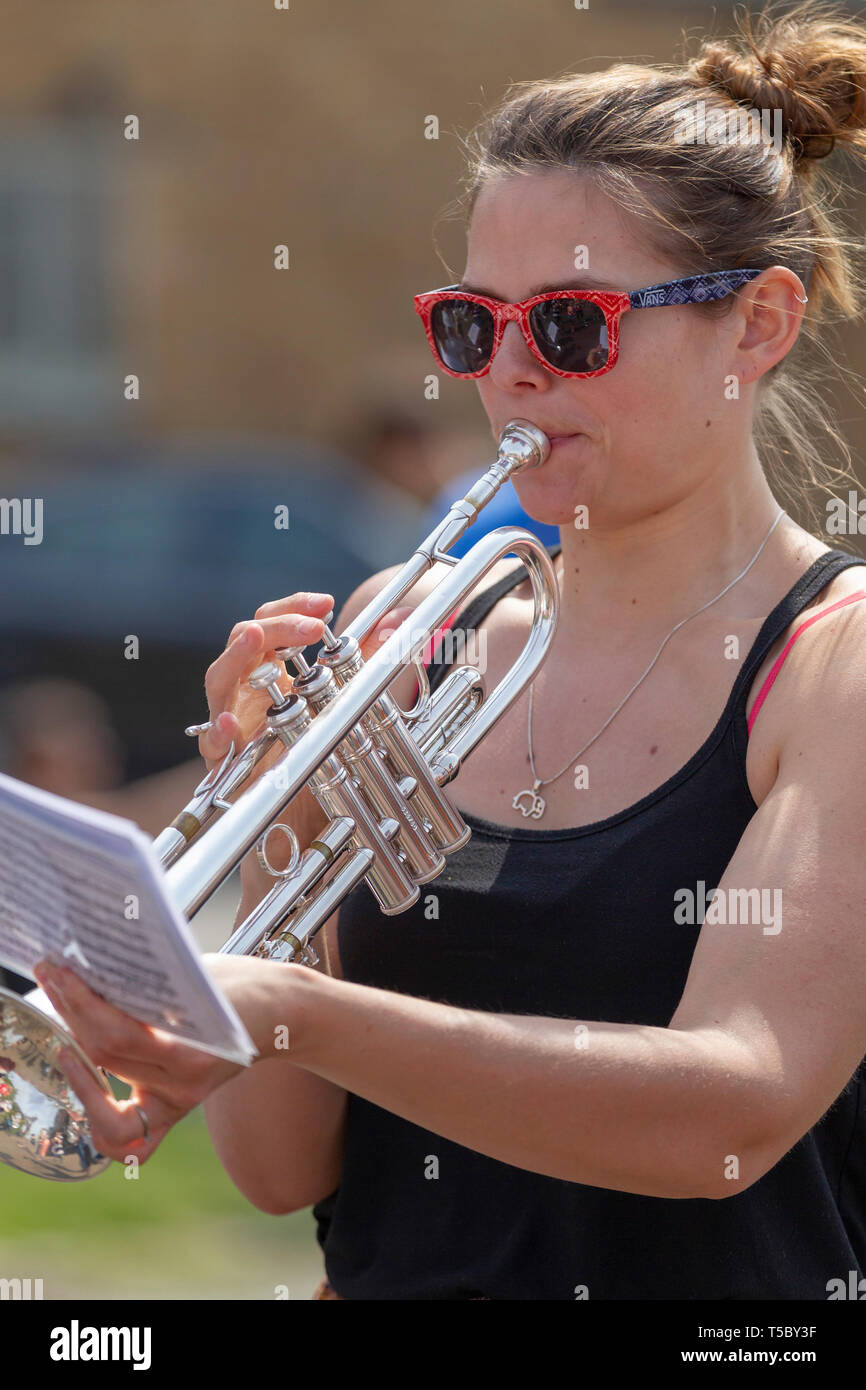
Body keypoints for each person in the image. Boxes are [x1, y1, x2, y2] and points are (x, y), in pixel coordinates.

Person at [35, 2, 866, 1299]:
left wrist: (293, 1007)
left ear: (756, 323)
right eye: (477, 326)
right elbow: (281, 1170)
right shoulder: (408, 639)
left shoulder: (832, 667)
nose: (515, 376)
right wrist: (284, 823)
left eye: (575, 323)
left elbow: (727, 1110)